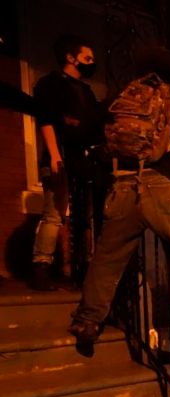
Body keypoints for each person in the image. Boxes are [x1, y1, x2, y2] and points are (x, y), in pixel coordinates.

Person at [68, 46, 170, 345]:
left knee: (108, 258)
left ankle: (87, 321)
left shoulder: (122, 99)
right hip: (163, 186)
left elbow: (84, 135)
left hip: (123, 185)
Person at [30, 34, 104, 291]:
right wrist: (54, 155)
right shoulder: (51, 84)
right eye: (87, 57)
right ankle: (41, 267)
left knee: (83, 216)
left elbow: (95, 126)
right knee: (54, 212)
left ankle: (81, 269)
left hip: (82, 159)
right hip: (60, 154)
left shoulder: (86, 91)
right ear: (71, 58)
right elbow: (46, 119)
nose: (91, 62)